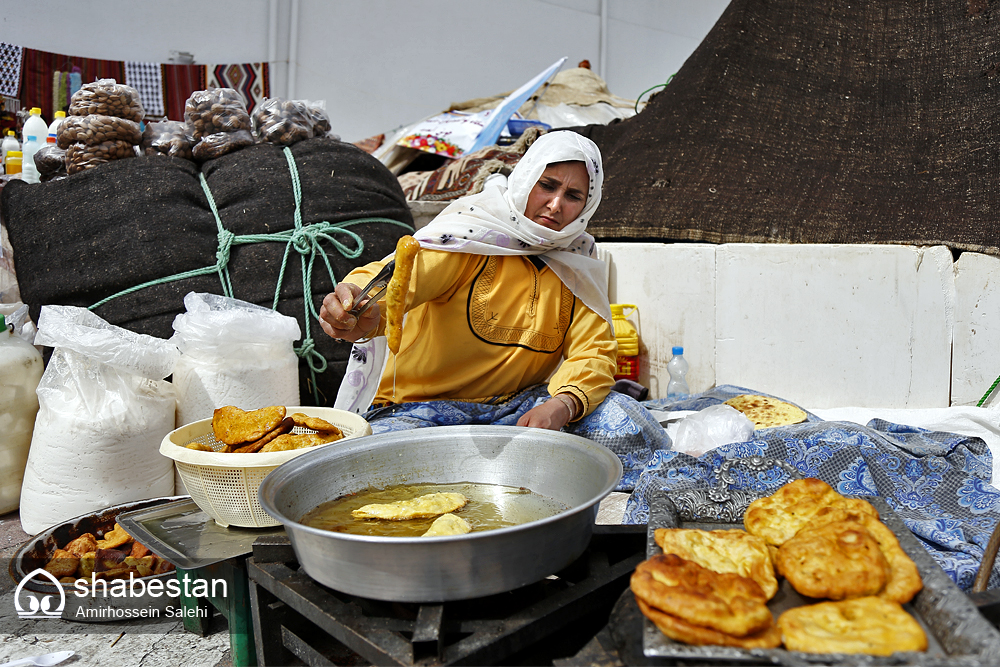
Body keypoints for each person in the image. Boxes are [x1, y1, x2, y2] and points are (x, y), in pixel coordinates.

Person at [320, 131, 669, 487]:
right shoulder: (471, 234)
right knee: (378, 462)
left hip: (517, 408)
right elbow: (402, 278)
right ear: (526, 176)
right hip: (420, 413)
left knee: (625, 420)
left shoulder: (578, 261)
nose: (555, 205)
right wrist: (356, 305)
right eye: (547, 185)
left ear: (587, 205)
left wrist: (560, 406)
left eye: (573, 195)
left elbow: (593, 351)